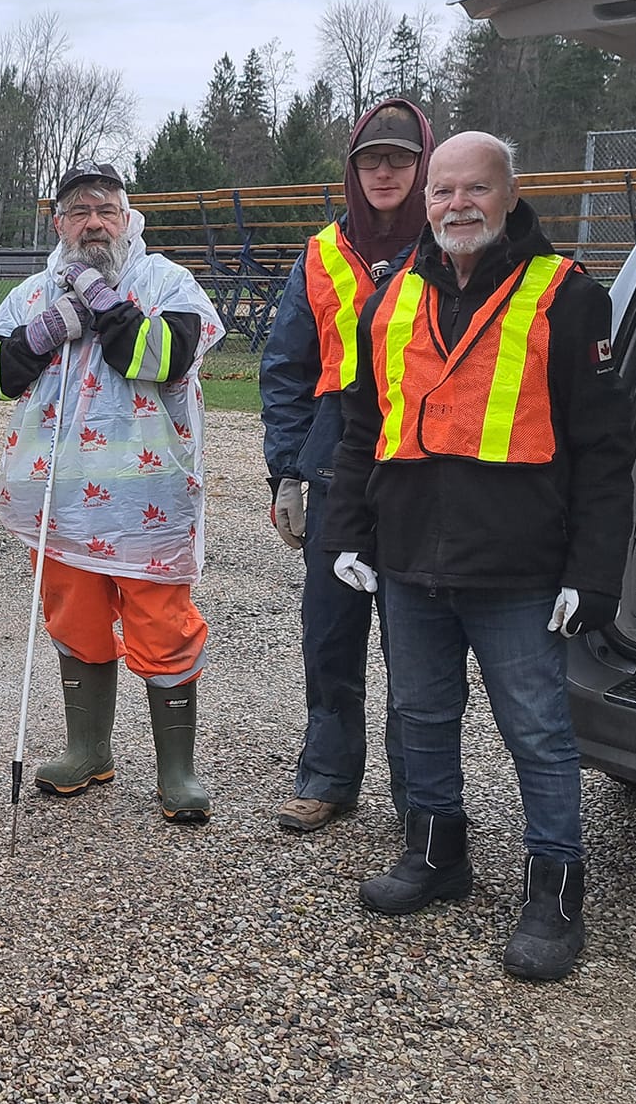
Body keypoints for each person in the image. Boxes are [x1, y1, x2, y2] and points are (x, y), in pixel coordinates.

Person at [324, 131, 631, 982]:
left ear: (510, 194)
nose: (457, 204)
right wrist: (348, 533)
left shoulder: (568, 297)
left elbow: (606, 452)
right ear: (426, 199)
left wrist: (592, 573)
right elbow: (361, 427)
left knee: (538, 731)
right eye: (442, 190)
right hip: (410, 560)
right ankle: (436, 853)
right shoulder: (390, 296)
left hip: (519, 569)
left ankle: (555, 892)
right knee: (421, 716)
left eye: (476, 188)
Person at [0, 164, 225, 823]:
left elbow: (162, 357)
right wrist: (45, 329)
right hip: (60, 506)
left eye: (105, 210)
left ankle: (176, 771)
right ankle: (88, 749)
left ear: (126, 218)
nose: (93, 223)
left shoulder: (167, 282)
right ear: (58, 224)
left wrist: (103, 303)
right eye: (78, 212)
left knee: (163, 629)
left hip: (149, 508)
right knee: (75, 623)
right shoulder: (33, 293)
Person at [260, 99, 433, 835]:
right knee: (331, 635)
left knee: (416, 644)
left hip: (423, 474)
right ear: (353, 171)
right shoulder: (322, 254)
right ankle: (328, 776)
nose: (384, 172)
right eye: (370, 160)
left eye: (399, 158)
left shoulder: (449, 246)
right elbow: (286, 370)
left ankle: (420, 794)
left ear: (424, 164)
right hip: (336, 473)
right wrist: (286, 473)